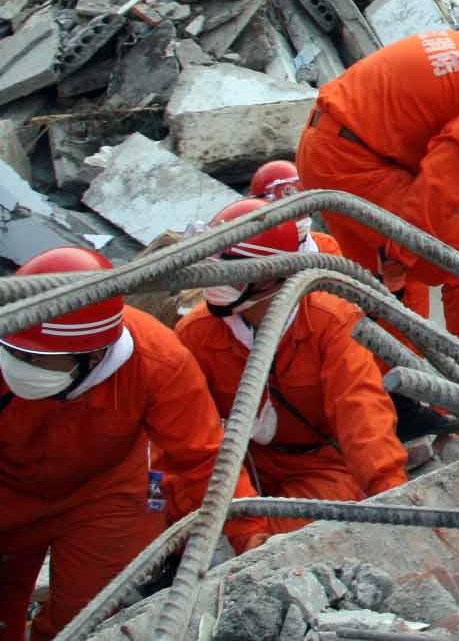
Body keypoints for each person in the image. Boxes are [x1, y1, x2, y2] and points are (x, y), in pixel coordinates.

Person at [0, 248, 268, 638]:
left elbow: (202, 459)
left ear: (93, 354)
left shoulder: (157, 362)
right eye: (15, 353)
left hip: (104, 498)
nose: (19, 367)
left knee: (86, 618)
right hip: (7, 489)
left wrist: (250, 535)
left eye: (40, 360)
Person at [296, 26, 459, 358]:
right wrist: (402, 248)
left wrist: (399, 257)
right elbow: (444, 177)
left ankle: (394, 396)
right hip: (355, 163)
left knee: (390, 290)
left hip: (328, 147)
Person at [174, 202, 407, 535]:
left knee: (304, 522)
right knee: (174, 511)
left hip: (319, 465)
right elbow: (192, 442)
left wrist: (391, 495)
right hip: (238, 461)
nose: (213, 275)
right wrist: (246, 531)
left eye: (227, 266)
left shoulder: (330, 321)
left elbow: (362, 411)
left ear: (271, 276)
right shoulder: (195, 334)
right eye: (212, 262)